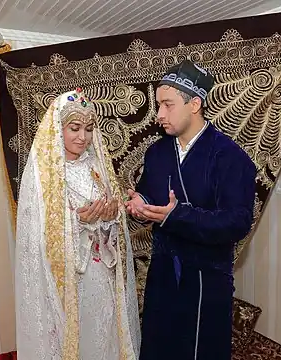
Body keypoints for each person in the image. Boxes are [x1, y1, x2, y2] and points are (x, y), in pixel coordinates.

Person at [125, 60, 256, 360]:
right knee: (158, 348)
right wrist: (140, 203)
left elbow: (238, 222)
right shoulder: (157, 152)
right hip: (162, 273)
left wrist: (177, 215)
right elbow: (150, 191)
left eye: (168, 105)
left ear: (194, 103)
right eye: (158, 105)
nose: (159, 115)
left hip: (205, 280)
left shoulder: (229, 157)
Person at [15, 88, 140, 360]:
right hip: (70, 281)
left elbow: (114, 224)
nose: (82, 137)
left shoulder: (97, 167)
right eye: (74, 128)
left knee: (104, 337)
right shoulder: (44, 173)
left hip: (100, 276)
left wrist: (110, 219)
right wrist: (77, 221)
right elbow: (36, 232)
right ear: (59, 129)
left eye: (88, 128)